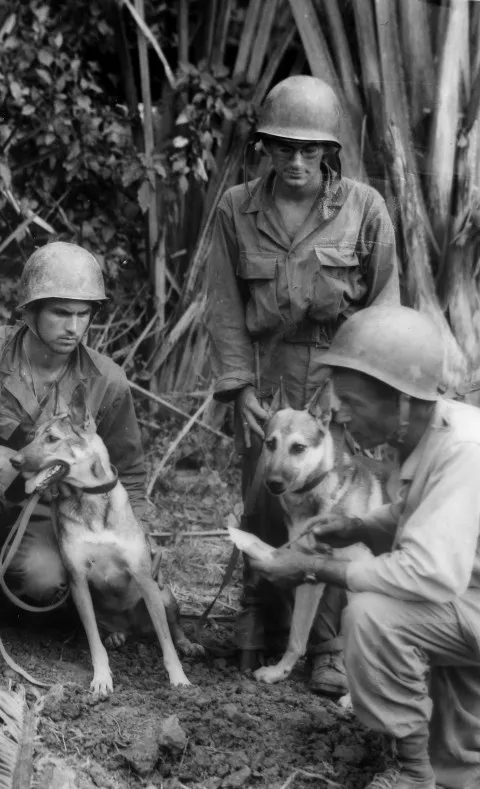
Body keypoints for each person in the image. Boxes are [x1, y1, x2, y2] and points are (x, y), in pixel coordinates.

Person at [205, 74, 401, 695]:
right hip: (265, 375)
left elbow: (384, 302)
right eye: (282, 147)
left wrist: (362, 387)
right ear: (263, 146)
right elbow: (223, 304)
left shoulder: (365, 208)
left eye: (309, 149)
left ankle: (329, 646)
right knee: (266, 493)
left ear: (329, 151)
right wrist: (238, 388)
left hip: (340, 376)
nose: (295, 161)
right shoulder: (237, 207)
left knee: (338, 505)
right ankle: (257, 620)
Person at [250, 304, 480, 789]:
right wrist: (357, 527)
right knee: (458, 757)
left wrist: (318, 566)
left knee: (374, 616)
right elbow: (414, 515)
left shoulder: (462, 452)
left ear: (401, 401)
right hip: (469, 600)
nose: (342, 416)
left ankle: (411, 775)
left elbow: (429, 572)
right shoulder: (429, 436)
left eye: (352, 402)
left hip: (466, 600)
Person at [0, 241, 149, 677]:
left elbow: (130, 473)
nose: (74, 326)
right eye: (61, 313)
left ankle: (7, 587)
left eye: (83, 314)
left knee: (45, 584)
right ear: (30, 313)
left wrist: (137, 537)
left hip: (55, 512)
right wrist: (21, 465)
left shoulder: (107, 381)